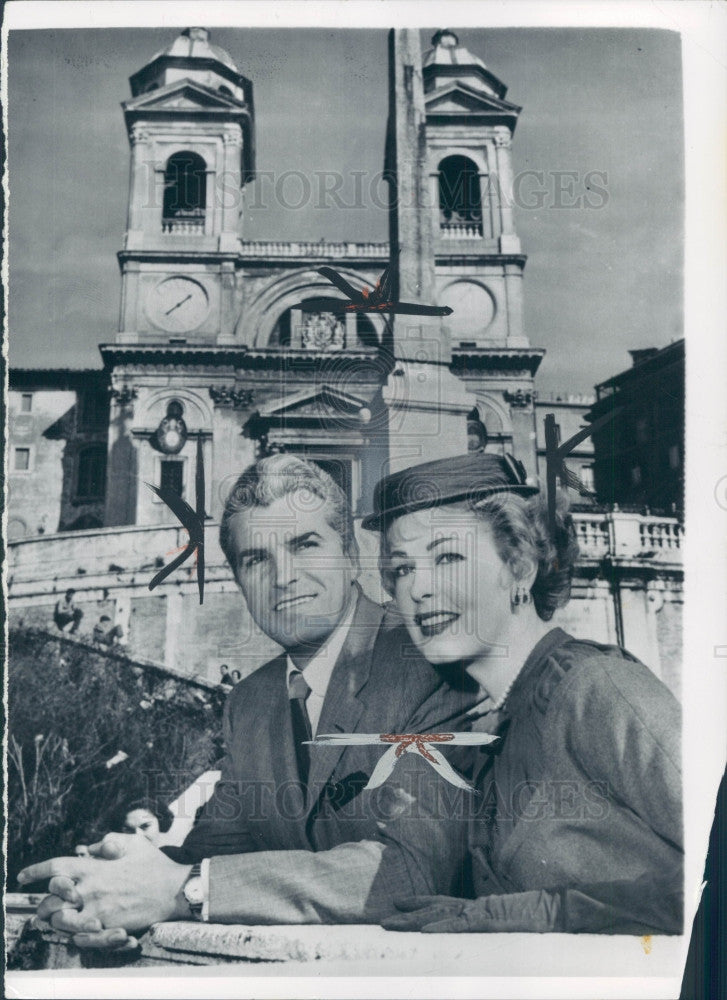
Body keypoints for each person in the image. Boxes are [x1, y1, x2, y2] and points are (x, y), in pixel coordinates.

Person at [20, 455, 477, 946]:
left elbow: (412, 871)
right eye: (256, 559)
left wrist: (186, 889)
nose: (284, 576)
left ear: (350, 555)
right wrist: (109, 887)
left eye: (305, 545)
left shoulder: (429, 662)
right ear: (238, 583)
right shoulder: (250, 702)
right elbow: (214, 854)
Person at [354, 452, 683, 935]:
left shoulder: (597, 689)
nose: (418, 589)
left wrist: (541, 913)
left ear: (521, 567)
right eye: (402, 569)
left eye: (448, 556)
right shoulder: (490, 737)